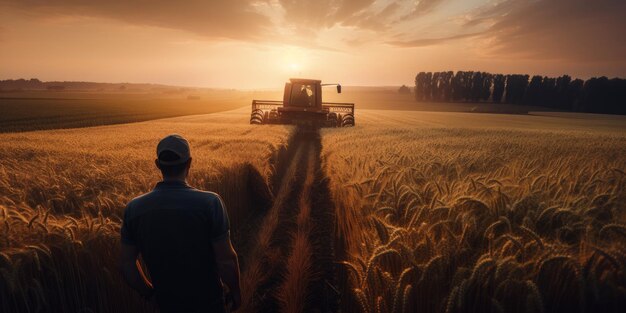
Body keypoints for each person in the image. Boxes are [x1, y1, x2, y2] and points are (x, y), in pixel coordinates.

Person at [119, 134, 241, 313]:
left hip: (166, 304)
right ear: (189, 163)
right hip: (209, 304)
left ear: (157, 165)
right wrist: (236, 292)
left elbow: (127, 263)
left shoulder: (134, 209)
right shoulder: (210, 203)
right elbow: (226, 261)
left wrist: (149, 293)